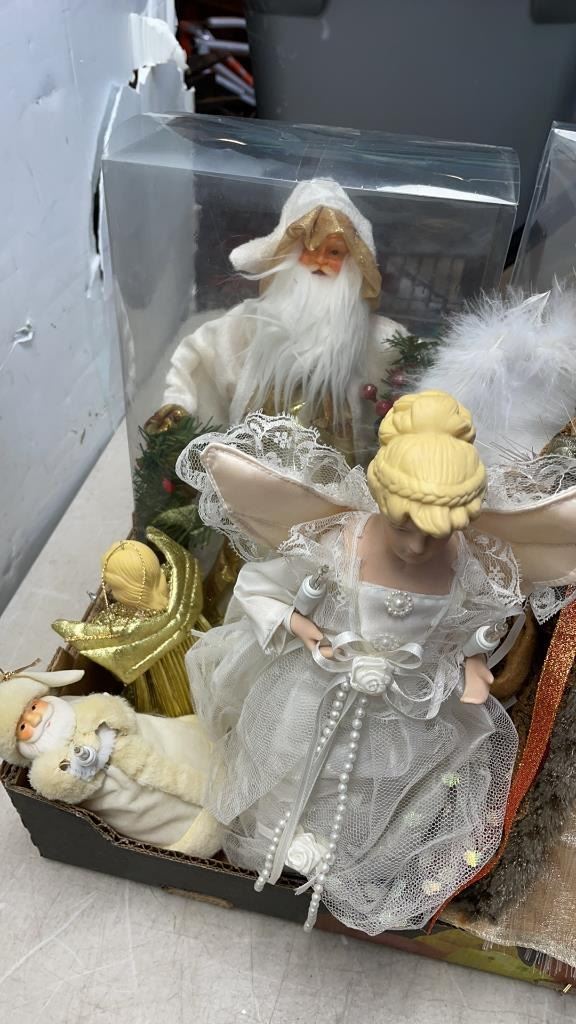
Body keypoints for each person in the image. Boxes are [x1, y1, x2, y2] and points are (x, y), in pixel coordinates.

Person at [176, 391, 576, 935]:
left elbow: (468, 629)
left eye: (436, 533)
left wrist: (473, 663)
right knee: (291, 763)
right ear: (380, 498)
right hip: (316, 686)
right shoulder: (339, 539)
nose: (417, 547)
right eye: (403, 526)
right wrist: (301, 626)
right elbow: (262, 586)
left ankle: (336, 861)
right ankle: (277, 845)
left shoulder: (467, 566)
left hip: (405, 709)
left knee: (376, 784)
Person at [164, 178, 405, 462]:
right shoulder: (254, 321)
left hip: (335, 474)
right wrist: (178, 404)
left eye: (334, 252)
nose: (319, 260)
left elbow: (410, 370)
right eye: (309, 249)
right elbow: (200, 353)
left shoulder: (372, 336)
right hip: (253, 466)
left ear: (354, 262)